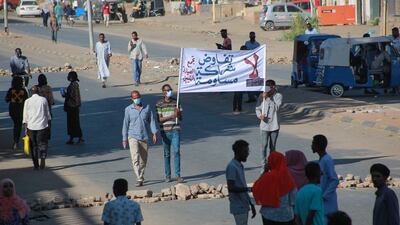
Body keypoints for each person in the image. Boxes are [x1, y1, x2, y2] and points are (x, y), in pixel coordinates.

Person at [122, 90, 157, 187]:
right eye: (134, 98)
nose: (137, 99)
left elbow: (151, 121)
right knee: (135, 158)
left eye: (138, 97)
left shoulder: (147, 108)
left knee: (143, 159)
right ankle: (139, 178)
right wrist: (124, 138)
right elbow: (125, 124)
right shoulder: (128, 109)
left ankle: (141, 175)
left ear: (140, 97)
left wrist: (154, 133)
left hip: (144, 136)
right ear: (131, 99)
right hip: (132, 136)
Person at [252, 151, 297, 225]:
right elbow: (293, 199)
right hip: (286, 216)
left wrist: (265, 172)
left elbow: (256, 188)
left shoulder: (267, 177)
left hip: (268, 215)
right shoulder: (288, 178)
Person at [155, 84, 184, 183]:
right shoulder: (159, 104)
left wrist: (178, 113)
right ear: (163, 92)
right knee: (167, 154)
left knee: (176, 151)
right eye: (167, 90)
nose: (169, 92)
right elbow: (160, 119)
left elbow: (180, 118)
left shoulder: (176, 102)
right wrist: (172, 116)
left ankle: (178, 175)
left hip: (175, 129)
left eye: (170, 90)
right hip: (165, 131)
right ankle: (168, 175)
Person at [226, 140, 256, 225]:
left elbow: (242, 185)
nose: (247, 153)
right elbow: (231, 187)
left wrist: (251, 204)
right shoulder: (232, 167)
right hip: (238, 206)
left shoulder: (239, 165)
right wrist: (249, 189)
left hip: (244, 204)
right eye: (245, 151)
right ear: (238, 152)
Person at [255, 80, 282, 170]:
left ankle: (272, 164)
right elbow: (257, 108)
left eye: (269, 87)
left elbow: (277, 107)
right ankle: (263, 165)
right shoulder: (261, 96)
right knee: (264, 146)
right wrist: (260, 116)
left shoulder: (278, 96)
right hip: (264, 126)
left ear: (273, 87)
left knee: (272, 147)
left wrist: (269, 98)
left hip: (274, 125)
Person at [23, 86, 51, 170]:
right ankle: (42, 157)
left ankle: (36, 164)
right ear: (38, 91)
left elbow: (25, 116)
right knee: (42, 144)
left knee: (33, 146)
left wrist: (25, 128)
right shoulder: (43, 100)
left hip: (31, 126)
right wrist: (48, 124)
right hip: (42, 126)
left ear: (31, 92)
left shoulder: (27, 101)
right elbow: (47, 114)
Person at [311, 134, 339, 216]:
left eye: (313, 144)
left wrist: (324, 196)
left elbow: (334, 180)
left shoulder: (327, 160)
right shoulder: (322, 160)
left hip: (327, 201)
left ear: (318, 146)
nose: (311, 146)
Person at [5, 77, 28, 150]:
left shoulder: (11, 90)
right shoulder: (23, 91)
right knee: (18, 126)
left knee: (16, 125)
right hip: (21, 110)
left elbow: (6, 99)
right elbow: (26, 101)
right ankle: (16, 142)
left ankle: (16, 142)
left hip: (13, 110)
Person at [63, 71, 84, 145]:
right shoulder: (72, 84)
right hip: (70, 106)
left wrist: (77, 106)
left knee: (75, 123)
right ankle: (71, 137)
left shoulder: (75, 85)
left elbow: (77, 97)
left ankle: (80, 137)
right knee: (71, 123)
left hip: (73, 107)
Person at [244, 31, 261, 103]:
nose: (252, 37)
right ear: (249, 36)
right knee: (249, 80)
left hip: (256, 63)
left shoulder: (257, 44)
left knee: (256, 80)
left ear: (255, 36)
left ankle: (258, 96)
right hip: (248, 63)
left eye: (253, 36)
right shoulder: (247, 43)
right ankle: (251, 97)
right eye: (251, 36)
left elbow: (259, 53)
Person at [37, 74, 54, 140]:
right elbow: (52, 101)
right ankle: (46, 140)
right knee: (47, 126)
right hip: (47, 111)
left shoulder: (36, 88)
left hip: (38, 111)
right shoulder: (48, 88)